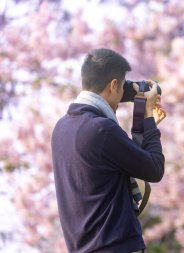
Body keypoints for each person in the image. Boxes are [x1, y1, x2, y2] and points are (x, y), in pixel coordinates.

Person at [51, 48, 165, 253]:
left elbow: (130, 156)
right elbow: (154, 168)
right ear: (113, 85)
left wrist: (137, 101)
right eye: (121, 87)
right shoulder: (101, 130)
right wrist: (148, 116)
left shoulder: (62, 128)